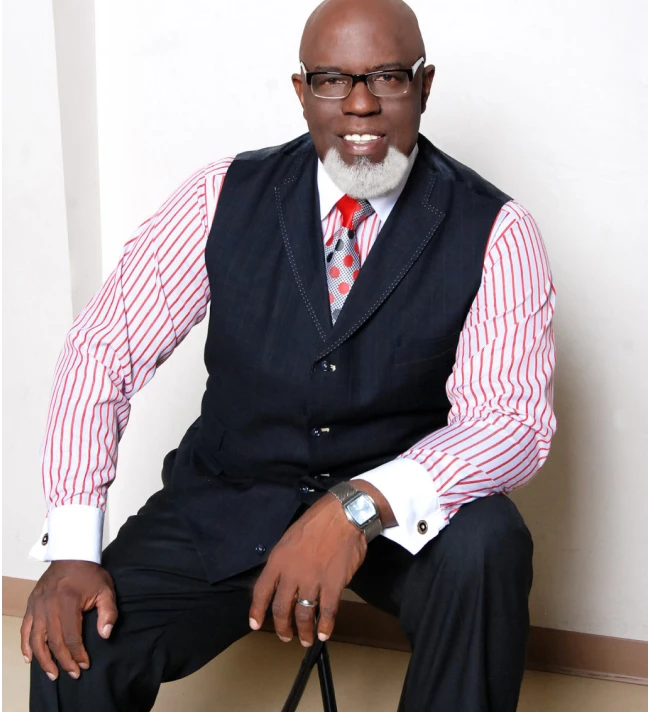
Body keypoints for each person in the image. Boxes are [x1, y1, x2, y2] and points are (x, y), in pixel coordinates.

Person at [21, 0, 556, 709]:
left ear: (425, 85)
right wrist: (73, 548)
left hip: (396, 517)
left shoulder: (497, 229)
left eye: (388, 78)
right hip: (230, 493)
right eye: (334, 79)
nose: (361, 105)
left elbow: (512, 421)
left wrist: (356, 508)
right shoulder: (222, 196)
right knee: (75, 636)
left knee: (488, 545)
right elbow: (101, 351)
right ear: (302, 91)